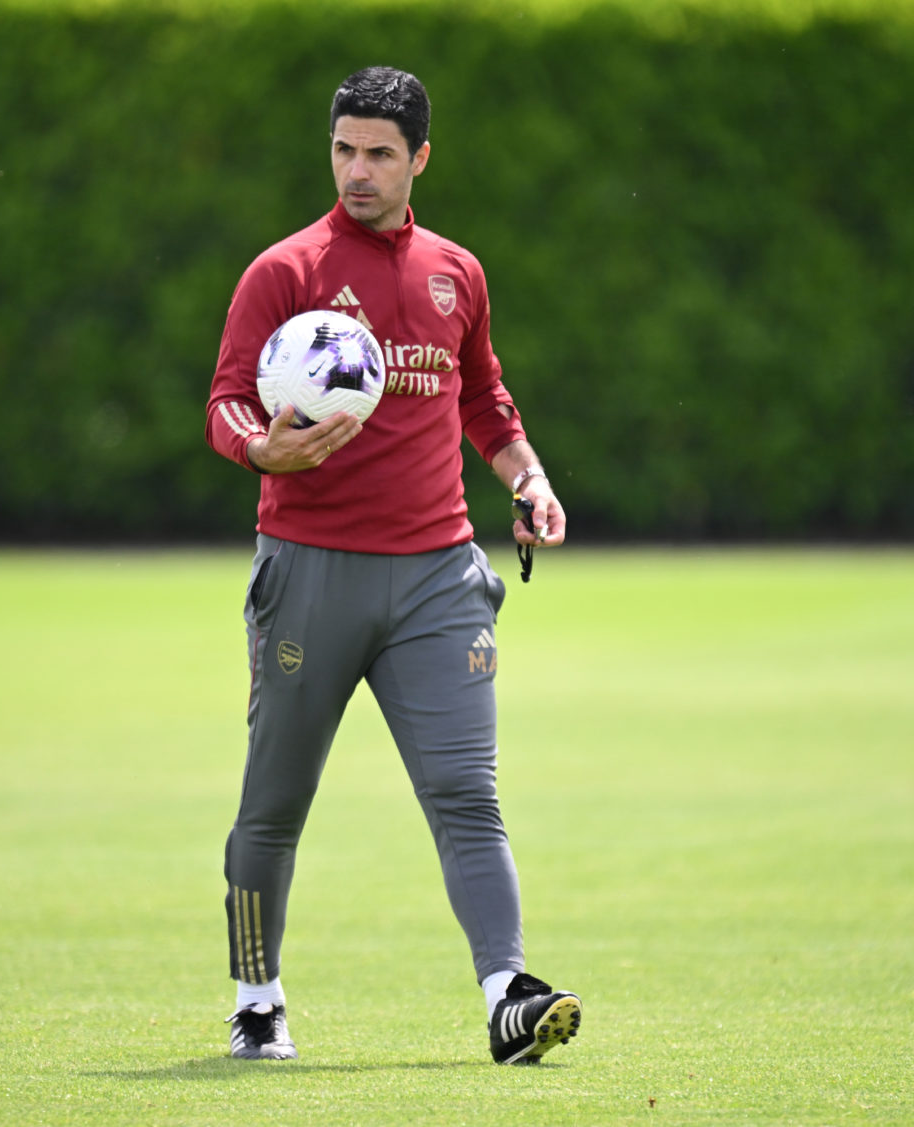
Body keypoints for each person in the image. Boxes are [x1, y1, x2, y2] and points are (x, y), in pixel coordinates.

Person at [204, 66, 578, 1065]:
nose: (357, 172)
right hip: (309, 571)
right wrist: (260, 450)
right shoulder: (283, 271)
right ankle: (256, 994)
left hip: (436, 579)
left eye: (378, 153)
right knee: (273, 804)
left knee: (468, 794)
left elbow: (484, 403)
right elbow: (228, 400)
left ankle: (509, 992)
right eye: (342, 150)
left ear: (419, 158)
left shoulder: (458, 271)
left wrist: (529, 480)